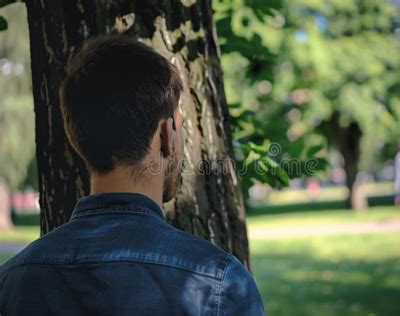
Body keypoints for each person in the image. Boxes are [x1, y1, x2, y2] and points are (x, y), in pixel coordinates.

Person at [0, 36, 265, 316]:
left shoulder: (12, 282)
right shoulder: (218, 284)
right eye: (180, 126)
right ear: (166, 134)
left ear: (76, 137)